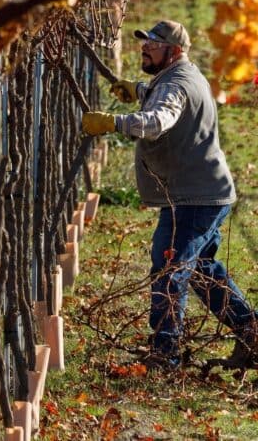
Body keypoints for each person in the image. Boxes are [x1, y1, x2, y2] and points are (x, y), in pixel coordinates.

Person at [81, 19, 257, 368]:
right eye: (145, 41)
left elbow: (157, 121)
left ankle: (165, 356)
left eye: (153, 43)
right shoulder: (184, 75)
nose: (145, 46)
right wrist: (140, 91)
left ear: (173, 51)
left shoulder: (175, 84)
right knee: (203, 271)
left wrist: (113, 123)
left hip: (194, 198)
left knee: (169, 269)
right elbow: (167, 100)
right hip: (204, 193)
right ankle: (252, 332)